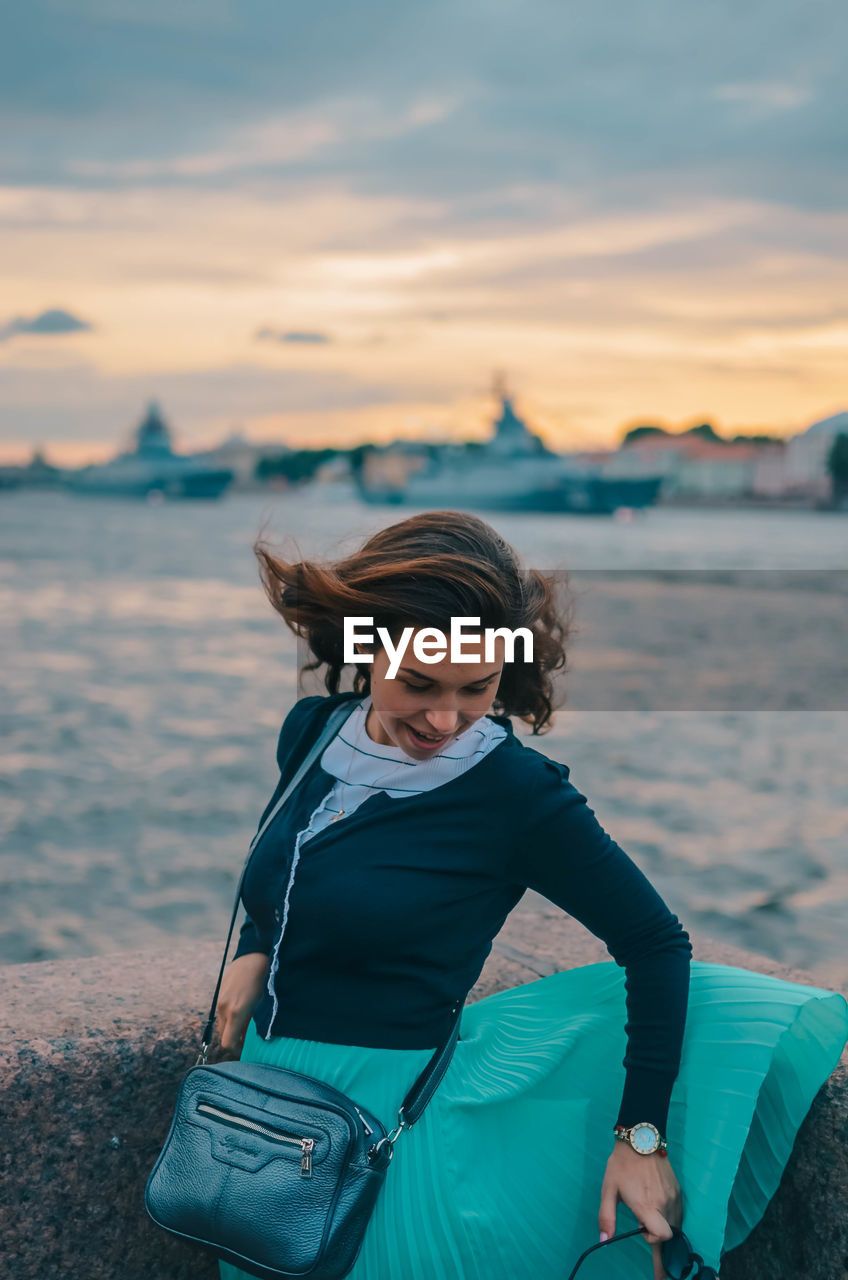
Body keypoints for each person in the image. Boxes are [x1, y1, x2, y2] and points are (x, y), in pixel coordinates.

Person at [215, 510, 848, 1280]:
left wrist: (640, 1136)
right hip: (266, 1119)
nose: (444, 718)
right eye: (418, 684)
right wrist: (258, 948)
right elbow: (288, 868)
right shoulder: (313, 731)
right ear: (364, 645)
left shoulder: (515, 792)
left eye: (476, 688)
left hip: (395, 1133)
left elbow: (655, 944)